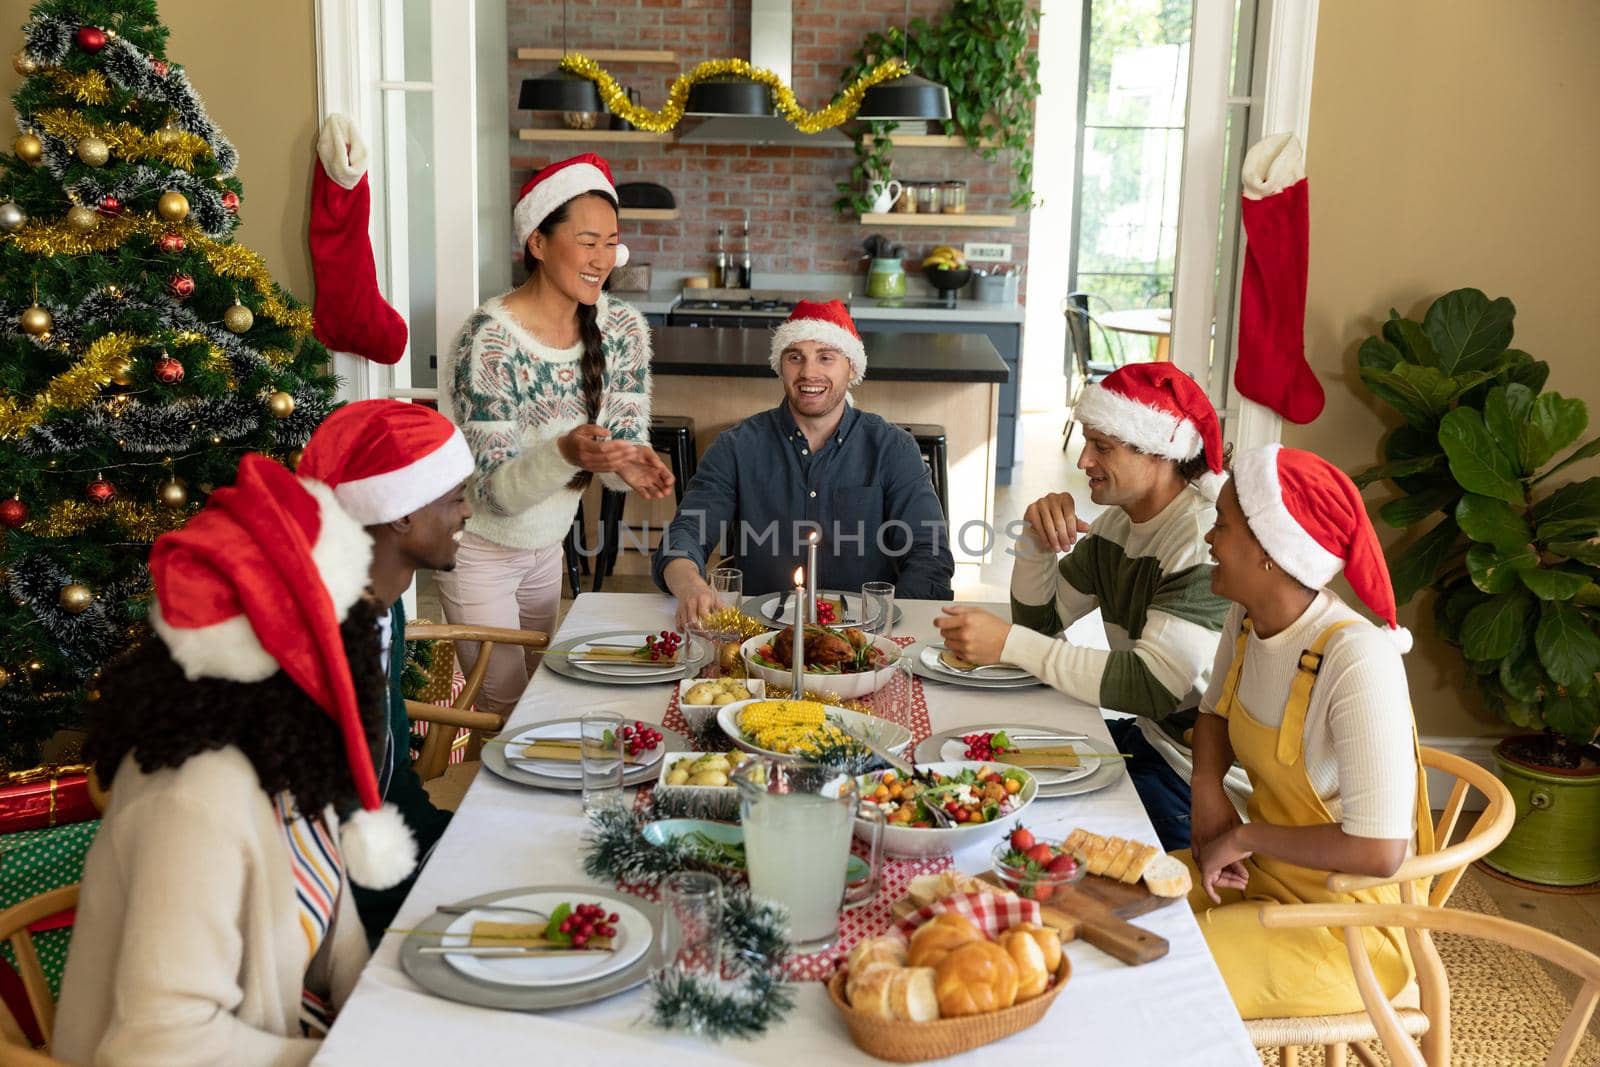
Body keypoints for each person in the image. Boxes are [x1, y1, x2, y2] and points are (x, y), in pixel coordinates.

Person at [56, 455, 417, 1066]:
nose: (369, 613)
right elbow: (157, 1046)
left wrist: (391, 1031)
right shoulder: (194, 801)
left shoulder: (283, 748)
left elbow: (336, 947)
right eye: (352, 599)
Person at [934, 363, 1234, 851]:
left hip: (1199, 782)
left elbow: (1150, 686)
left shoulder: (1199, 539)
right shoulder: (1120, 525)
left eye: (1102, 447)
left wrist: (1009, 642)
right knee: (986, 771)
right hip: (1152, 744)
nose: (1083, 461)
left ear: (1158, 450)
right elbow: (1043, 622)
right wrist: (1035, 542)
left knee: (1023, 829)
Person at [1178, 444, 1431, 1018]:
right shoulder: (1247, 617)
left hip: (1348, 928)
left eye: (1222, 524)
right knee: (1121, 905)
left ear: (1271, 551)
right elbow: (1215, 712)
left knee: (1168, 970)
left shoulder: (1357, 659)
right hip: (1264, 875)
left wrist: (1245, 837)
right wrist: (1207, 791)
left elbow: (1380, 850)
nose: (1208, 540)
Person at [438, 152, 673, 712]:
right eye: (587, 240)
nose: (603, 258)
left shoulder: (622, 329)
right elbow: (493, 492)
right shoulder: (488, 341)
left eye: (611, 241)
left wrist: (625, 463)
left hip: (546, 545)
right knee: (507, 711)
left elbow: (612, 462)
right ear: (538, 244)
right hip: (477, 548)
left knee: (541, 700)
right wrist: (568, 453)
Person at [654, 299, 954, 626]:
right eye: (795, 357)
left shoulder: (892, 448)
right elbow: (687, 533)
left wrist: (892, 628)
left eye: (826, 357)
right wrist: (690, 585)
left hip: (865, 639)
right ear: (780, 365)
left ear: (852, 367)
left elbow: (929, 553)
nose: (809, 372)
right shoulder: (735, 446)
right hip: (758, 636)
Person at [297, 399, 474, 944]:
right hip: (334, 899)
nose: (467, 514)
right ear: (401, 513)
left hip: (386, 847)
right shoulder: (318, 633)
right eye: (456, 499)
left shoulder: (385, 607)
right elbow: (320, 825)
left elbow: (391, 777)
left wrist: (458, 841)